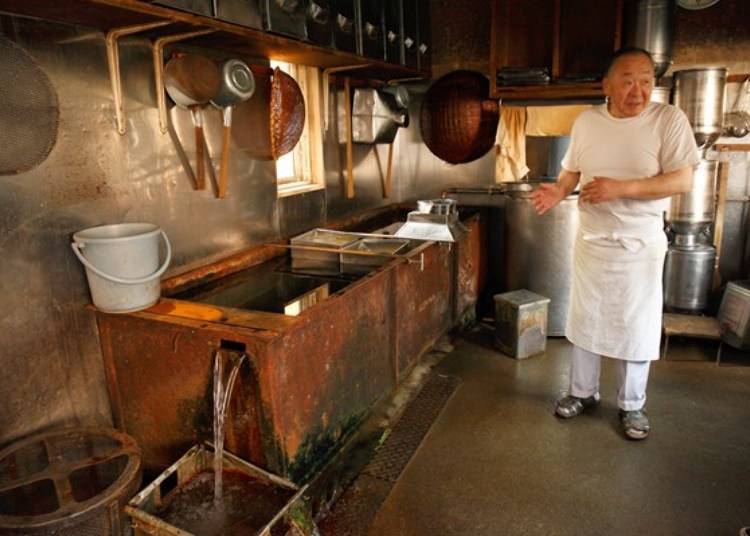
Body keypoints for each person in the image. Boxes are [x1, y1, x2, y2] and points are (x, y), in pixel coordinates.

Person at [530, 47, 700, 440]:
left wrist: (619, 188)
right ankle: (582, 392)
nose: (638, 90)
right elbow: (571, 170)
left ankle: (632, 405)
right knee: (585, 319)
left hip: (639, 244)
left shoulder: (668, 120)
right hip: (592, 241)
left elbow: (681, 181)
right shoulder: (588, 122)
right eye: (628, 80)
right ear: (607, 85)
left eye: (646, 80)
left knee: (636, 326)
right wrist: (559, 191)